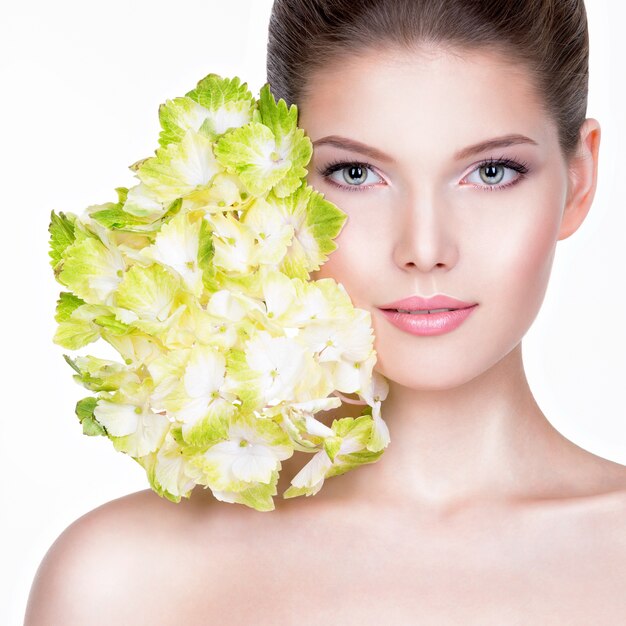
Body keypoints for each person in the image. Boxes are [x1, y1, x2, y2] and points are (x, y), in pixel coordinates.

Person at [25, 0, 626, 623]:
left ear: (578, 181)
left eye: (492, 171)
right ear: (270, 185)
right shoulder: (124, 583)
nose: (424, 249)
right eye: (357, 173)